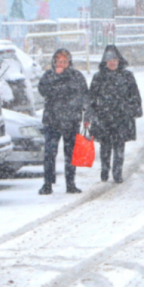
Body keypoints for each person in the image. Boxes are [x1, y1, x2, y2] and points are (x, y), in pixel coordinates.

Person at [87, 45, 142, 184]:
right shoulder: (98, 77)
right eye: (109, 60)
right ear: (105, 61)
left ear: (119, 60)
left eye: (115, 59)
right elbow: (91, 98)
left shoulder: (127, 76)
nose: (112, 63)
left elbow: (134, 94)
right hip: (103, 117)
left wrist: (134, 109)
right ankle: (105, 169)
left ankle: (117, 172)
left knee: (119, 146)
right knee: (105, 147)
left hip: (121, 117)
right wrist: (89, 115)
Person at [38, 49, 89, 195]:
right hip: (52, 121)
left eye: (65, 61)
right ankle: (47, 184)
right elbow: (42, 91)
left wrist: (86, 111)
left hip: (71, 121)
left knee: (71, 154)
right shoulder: (48, 75)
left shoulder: (76, 76)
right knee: (49, 153)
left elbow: (85, 94)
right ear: (54, 62)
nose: (62, 64)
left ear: (69, 62)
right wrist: (55, 78)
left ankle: (70, 184)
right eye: (59, 61)